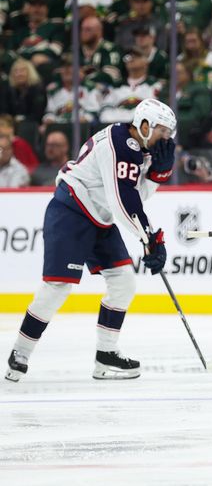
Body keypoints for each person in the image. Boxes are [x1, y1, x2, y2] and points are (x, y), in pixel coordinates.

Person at [5, 98, 177, 382]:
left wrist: (158, 172)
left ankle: (106, 355)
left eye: (170, 134)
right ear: (144, 124)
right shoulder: (121, 145)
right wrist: (149, 238)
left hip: (99, 217)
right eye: (163, 131)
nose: (166, 139)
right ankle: (20, 352)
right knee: (57, 286)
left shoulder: (139, 149)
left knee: (123, 282)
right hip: (71, 210)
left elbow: (135, 195)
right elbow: (123, 200)